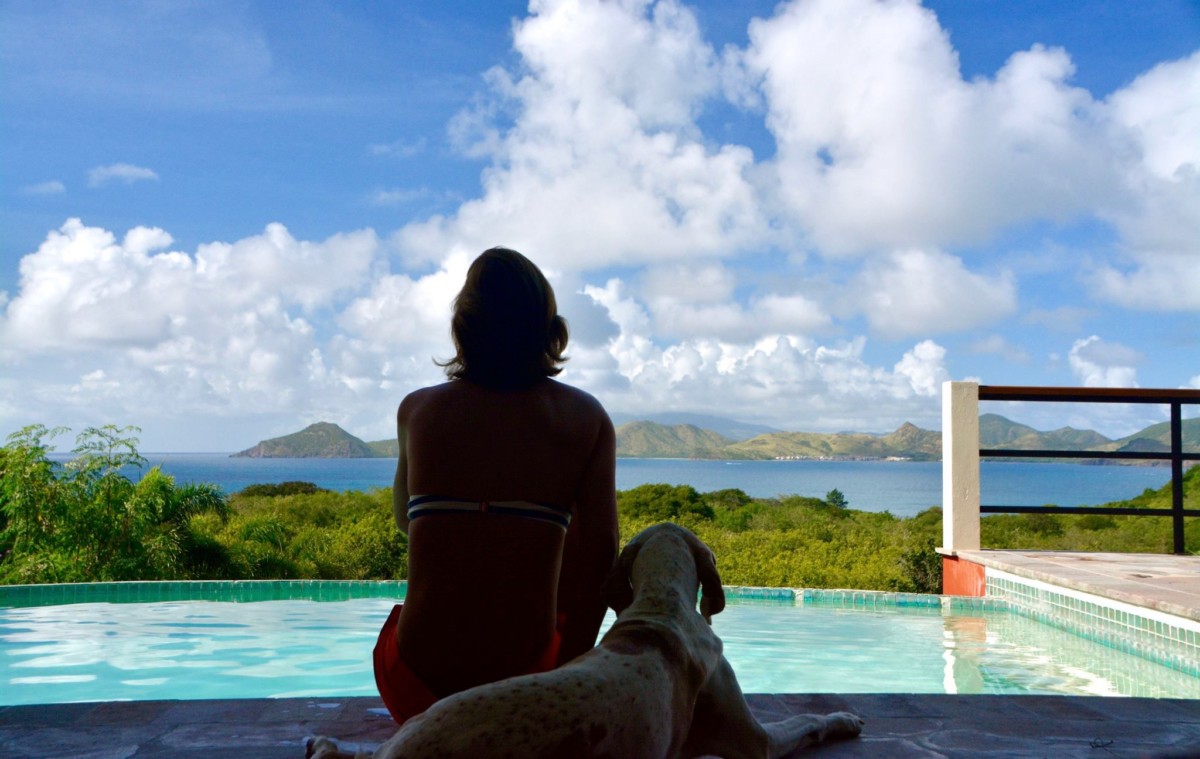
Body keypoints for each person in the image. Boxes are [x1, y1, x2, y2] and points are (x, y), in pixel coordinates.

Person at [374, 247, 620, 726]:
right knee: (571, 542)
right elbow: (601, 560)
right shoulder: (585, 419)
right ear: (548, 329)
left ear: (464, 328)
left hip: (416, 687)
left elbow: (407, 519)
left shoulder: (417, 411)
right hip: (529, 687)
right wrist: (567, 678)